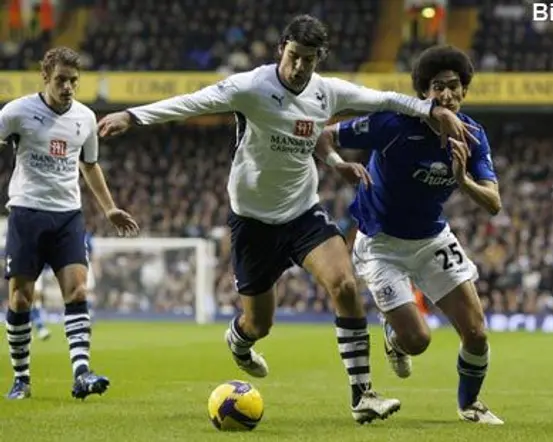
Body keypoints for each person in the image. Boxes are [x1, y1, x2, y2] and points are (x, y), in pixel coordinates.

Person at [97, 15, 476, 424]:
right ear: (282, 49)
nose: (299, 67)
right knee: (258, 323)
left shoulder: (326, 92)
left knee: (345, 284)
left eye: (309, 60)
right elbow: (193, 102)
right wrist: (132, 116)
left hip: (302, 212)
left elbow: (384, 99)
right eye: (294, 56)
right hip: (252, 220)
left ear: (319, 59)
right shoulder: (251, 87)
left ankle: (362, 396)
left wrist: (431, 111)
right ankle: (240, 341)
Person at [317, 44, 504, 424]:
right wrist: (338, 164)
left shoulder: (473, 136)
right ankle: (394, 337)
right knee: (417, 342)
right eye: (438, 86)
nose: (447, 94)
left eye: (454, 86)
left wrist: (462, 181)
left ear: (465, 91)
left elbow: (494, 203)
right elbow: (326, 135)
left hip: (432, 240)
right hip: (381, 246)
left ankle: (470, 405)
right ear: (424, 92)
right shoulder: (392, 124)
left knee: (477, 333)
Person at [0, 46, 139, 400]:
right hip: (26, 213)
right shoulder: (16, 113)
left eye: (73, 81)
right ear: (45, 77)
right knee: (20, 299)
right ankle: (22, 378)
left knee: (77, 291)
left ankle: (81, 373)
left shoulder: (86, 118)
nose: (67, 87)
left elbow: (89, 165)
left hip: (68, 215)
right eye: (61, 80)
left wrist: (108, 209)